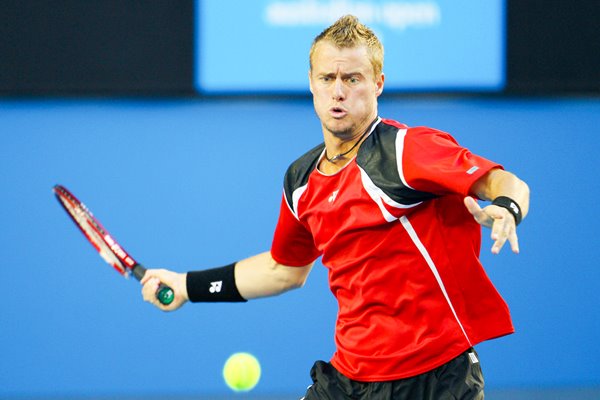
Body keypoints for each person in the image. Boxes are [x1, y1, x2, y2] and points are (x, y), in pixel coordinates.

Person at [141, 15, 530, 400]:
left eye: (352, 79)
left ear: (378, 84)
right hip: (348, 379)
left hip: (434, 378)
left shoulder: (407, 150)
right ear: (312, 83)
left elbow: (504, 182)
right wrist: (188, 285)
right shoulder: (301, 180)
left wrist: (507, 206)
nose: (338, 92)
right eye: (328, 78)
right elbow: (282, 270)